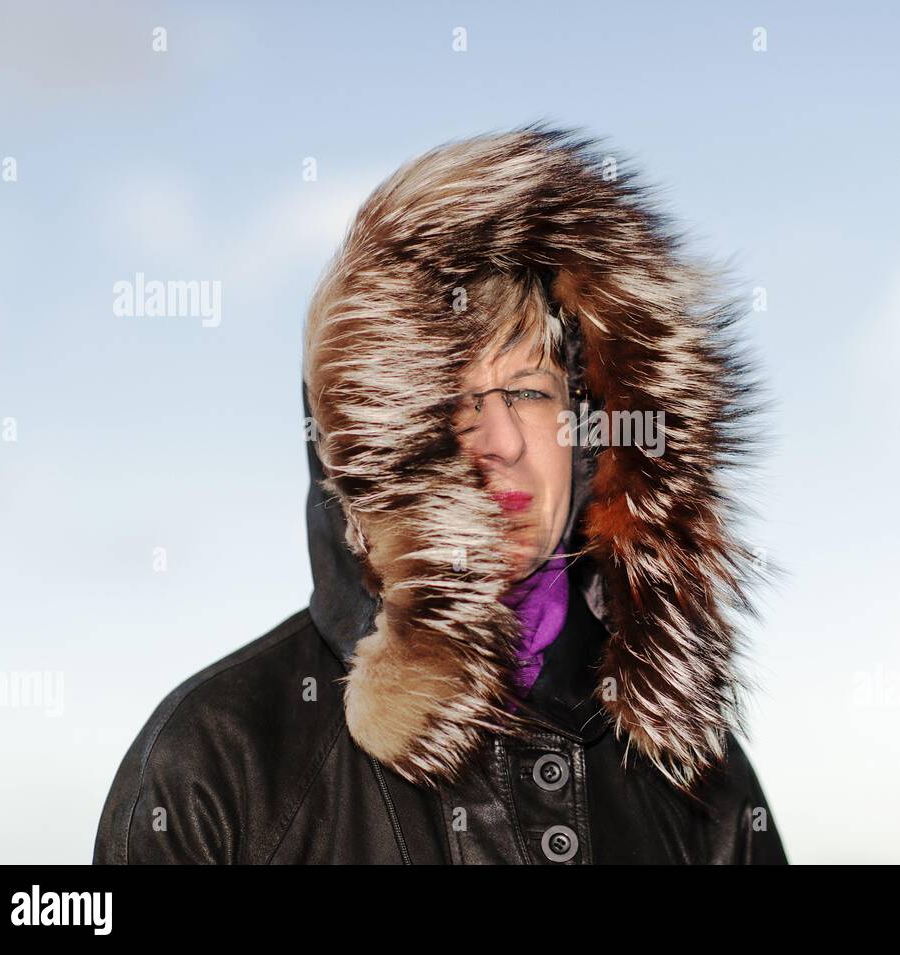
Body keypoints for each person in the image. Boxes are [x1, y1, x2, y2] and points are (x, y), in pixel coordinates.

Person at [92, 122, 788, 864]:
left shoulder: (695, 776)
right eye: (452, 402)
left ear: (593, 437)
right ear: (378, 447)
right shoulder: (219, 760)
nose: (503, 440)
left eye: (528, 390)